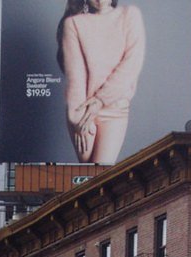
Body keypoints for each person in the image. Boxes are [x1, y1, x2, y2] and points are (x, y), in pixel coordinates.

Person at [56, 0, 145, 164]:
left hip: (114, 111)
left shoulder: (130, 16)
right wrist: (78, 119)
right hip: (82, 112)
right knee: (87, 176)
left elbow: (131, 64)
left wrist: (100, 100)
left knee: (100, 174)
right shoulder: (73, 24)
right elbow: (75, 74)